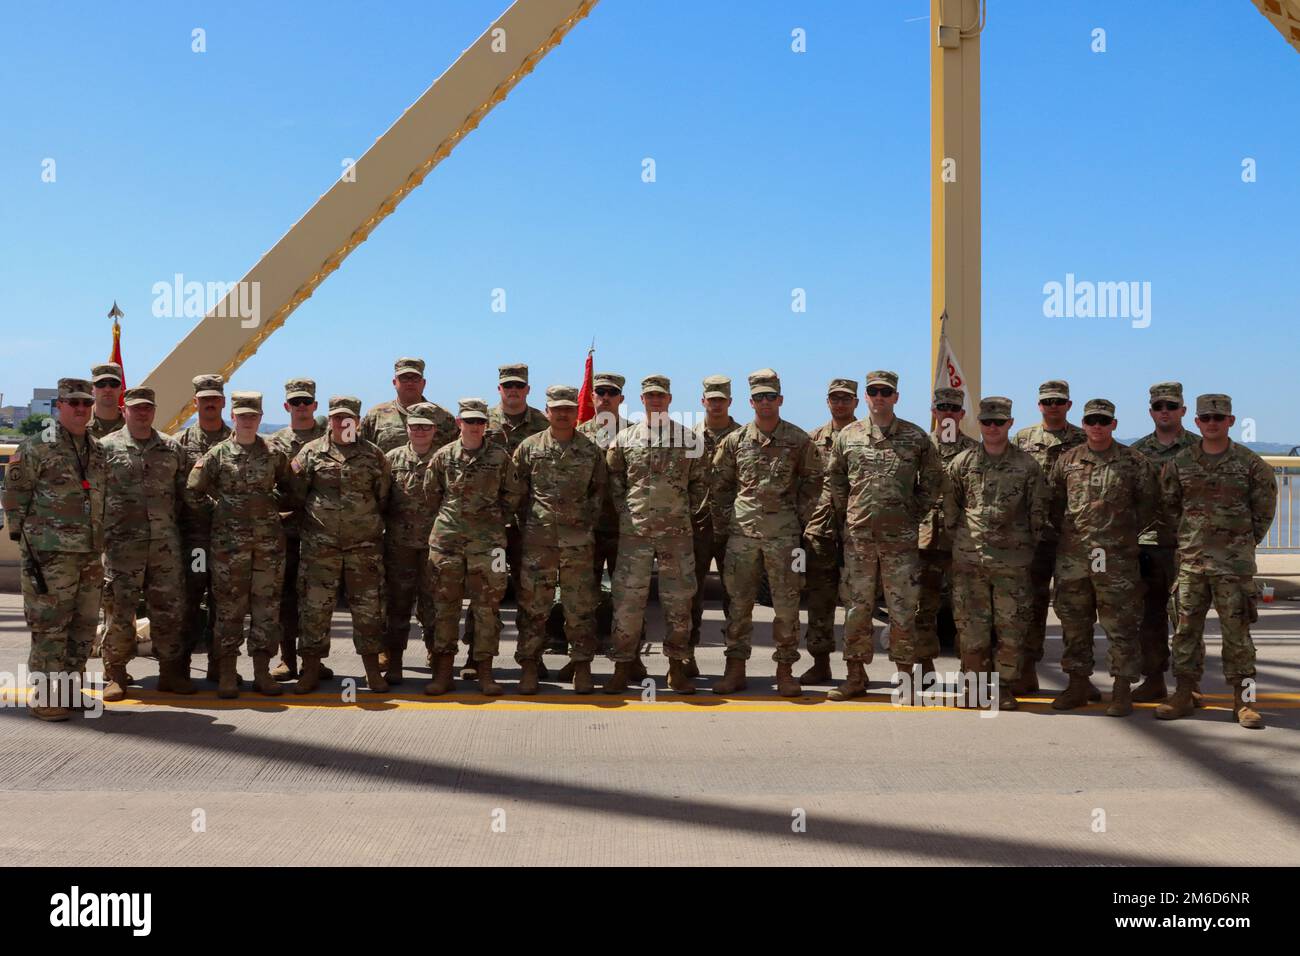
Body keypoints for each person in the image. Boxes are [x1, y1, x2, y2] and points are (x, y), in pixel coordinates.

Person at [806, 371, 943, 701]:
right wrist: (849, 515)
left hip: (901, 542)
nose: (879, 396)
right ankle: (855, 676)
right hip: (859, 540)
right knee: (856, 609)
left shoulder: (915, 437)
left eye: (886, 392)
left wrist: (911, 514)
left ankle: (906, 675)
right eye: (873, 391)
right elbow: (835, 480)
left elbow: (933, 482)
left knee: (903, 610)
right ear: (865, 397)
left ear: (896, 397)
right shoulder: (848, 436)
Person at [1156, 394, 1277, 729]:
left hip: (1233, 567)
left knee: (1238, 635)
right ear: (1196, 422)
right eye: (1206, 417)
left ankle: (1245, 700)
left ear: (1231, 421)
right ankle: (1184, 692)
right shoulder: (1180, 463)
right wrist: (1189, 538)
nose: (1212, 423)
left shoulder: (1250, 464)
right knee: (1184, 633)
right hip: (1192, 563)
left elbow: (1264, 510)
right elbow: (1169, 506)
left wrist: (1241, 543)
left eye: (1218, 417)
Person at [710, 369, 822, 697]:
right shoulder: (736, 441)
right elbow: (721, 486)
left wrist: (798, 519)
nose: (765, 402)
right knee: (738, 604)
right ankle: (735, 669)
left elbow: (814, 482)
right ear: (750, 402)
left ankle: (785, 669)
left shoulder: (799, 440)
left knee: (786, 606)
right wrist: (730, 520)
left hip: (784, 537)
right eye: (759, 397)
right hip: (742, 536)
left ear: (781, 400)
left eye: (771, 396)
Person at [2, 378, 106, 721]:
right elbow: (15, 497)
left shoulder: (97, 448)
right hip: (50, 555)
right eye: (72, 403)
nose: (80, 409)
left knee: (84, 625)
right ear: (58, 406)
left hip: (89, 553)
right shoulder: (37, 447)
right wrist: (29, 546)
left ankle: (69, 689)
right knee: (51, 626)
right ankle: (45, 696)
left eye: (85, 403)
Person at [1047, 399, 1158, 716]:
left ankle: (1121, 689)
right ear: (1083, 424)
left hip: (1117, 559)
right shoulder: (1067, 461)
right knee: (1074, 623)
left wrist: (1122, 534)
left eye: (1103, 421)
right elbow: (1054, 502)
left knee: (1121, 625)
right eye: (1091, 420)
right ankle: (1078, 684)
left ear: (1114, 425)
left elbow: (1150, 505)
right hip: (1074, 558)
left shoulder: (1133, 462)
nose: (1097, 426)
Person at [602, 375, 707, 694]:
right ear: (642, 400)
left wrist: (682, 511)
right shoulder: (625, 439)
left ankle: (677, 667)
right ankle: (622, 666)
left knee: (678, 603)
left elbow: (701, 483)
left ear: (670, 399)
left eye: (661, 396)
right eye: (650, 396)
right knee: (627, 603)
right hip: (635, 535)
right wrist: (626, 511)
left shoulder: (688, 440)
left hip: (676, 535)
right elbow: (615, 480)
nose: (655, 401)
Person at [187, 392, 294, 698]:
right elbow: (193, 493)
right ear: (233, 417)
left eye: (253, 415)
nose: (248, 420)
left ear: (260, 418)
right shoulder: (217, 455)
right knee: (228, 610)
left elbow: (292, 490)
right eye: (242, 415)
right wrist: (219, 512)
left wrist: (269, 509)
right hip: (228, 548)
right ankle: (228, 673)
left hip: (268, 547)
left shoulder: (274, 453)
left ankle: (262, 672)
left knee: (266, 609)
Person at [945, 397, 1046, 710]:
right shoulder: (962, 462)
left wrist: (1021, 549)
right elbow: (951, 511)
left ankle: (1003, 687)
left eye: (999, 422)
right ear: (980, 424)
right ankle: (974, 687)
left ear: (1010, 424)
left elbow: (1037, 515)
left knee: (1011, 629)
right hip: (970, 561)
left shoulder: (1028, 466)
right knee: (971, 629)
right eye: (987, 422)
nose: (992, 428)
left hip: (1012, 564)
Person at [422, 399, 525, 696]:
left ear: (485, 425)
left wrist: (492, 522)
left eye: (480, 422)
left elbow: (513, 496)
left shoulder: (500, 458)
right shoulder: (443, 457)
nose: (475, 426)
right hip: (447, 543)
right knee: (445, 608)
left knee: (488, 609)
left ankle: (485, 672)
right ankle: (443, 673)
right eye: (469, 421)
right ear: (459, 423)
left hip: (490, 545)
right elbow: (432, 494)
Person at [291, 396, 392, 693]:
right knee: (314, 610)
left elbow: (383, 496)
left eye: (348, 418)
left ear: (357, 422)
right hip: (320, 549)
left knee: (369, 611)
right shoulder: (310, 453)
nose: (342, 423)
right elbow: (297, 494)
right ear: (330, 419)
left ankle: (373, 672)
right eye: (336, 417)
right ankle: (310, 670)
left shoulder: (374, 456)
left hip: (363, 548)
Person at [512, 385, 607, 694]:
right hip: (538, 543)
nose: (564, 413)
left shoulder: (590, 449)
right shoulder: (529, 447)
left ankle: (581, 666)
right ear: (548, 410)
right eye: (558, 408)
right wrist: (531, 524)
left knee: (579, 608)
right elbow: (517, 493)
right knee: (533, 607)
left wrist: (582, 523)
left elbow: (598, 493)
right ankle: (529, 666)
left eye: (569, 408)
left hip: (577, 543)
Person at [100, 387, 192, 700]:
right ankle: (116, 673)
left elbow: (184, 496)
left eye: (148, 408)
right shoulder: (106, 448)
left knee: (168, 610)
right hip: (121, 548)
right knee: (120, 612)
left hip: (164, 546)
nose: (143, 413)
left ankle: (170, 672)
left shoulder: (171, 447)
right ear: (124, 410)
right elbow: (94, 497)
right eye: (136, 408)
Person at [1013, 379, 1088, 697]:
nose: (1053, 406)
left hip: (1073, 537)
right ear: (1038, 405)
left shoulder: (1084, 439)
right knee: (1030, 605)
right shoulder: (1023, 439)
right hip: (1034, 537)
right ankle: (1027, 671)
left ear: (1069, 405)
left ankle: (1078, 679)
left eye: (1059, 401)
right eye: (1047, 401)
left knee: (1075, 608)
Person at [1129, 382, 1199, 703]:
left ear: (1183, 411)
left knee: (1186, 617)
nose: (1165, 412)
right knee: (1150, 616)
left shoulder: (1199, 449)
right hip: (1147, 545)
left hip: (1186, 545)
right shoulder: (1137, 452)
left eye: (1171, 406)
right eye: (1159, 407)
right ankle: (1153, 678)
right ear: (1151, 412)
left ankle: (1188, 683)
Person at [267, 378, 332, 682]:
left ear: (315, 406)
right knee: (286, 599)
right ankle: (287, 659)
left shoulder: (329, 439)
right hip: (287, 533)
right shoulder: (274, 442)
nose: (302, 407)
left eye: (306, 402)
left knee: (318, 600)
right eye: (296, 402)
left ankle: (314, 660)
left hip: (322, 534)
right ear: (286, 406)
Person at [800, 378, 859, 685]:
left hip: (857, 530)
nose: (840, 404)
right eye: (835, 398)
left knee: (856, 601)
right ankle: (820, 663)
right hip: (820, 531)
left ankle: (855, 669)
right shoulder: (811, 441)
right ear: (827, 402)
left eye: (846, 399)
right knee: (820, 600)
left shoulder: (865, 438)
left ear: (856, 403)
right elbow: (799, 484)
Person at [915, 386, 977, 670]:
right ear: (934, 412)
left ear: (962, 413)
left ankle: (969, 670)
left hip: (961, 542)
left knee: (965, 610)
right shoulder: (919, 447)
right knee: (921, 607)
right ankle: (924, 666)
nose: (948, 413)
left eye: (953, 409)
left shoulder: (975, 451)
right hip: (924, 539)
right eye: (942, 408)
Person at [380, 402, 442, 684]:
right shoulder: (390, 459)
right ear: (407, 428)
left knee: (434, 605)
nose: (420, 431)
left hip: (434, 545)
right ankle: (395, 660)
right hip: (399, 546)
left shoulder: (444, 459)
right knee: (398, 605)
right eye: (415, 426)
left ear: (434, 430)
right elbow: (381, 499)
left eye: (425, 427)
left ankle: (435, 654)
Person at [175, 373, 231, 681]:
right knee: (191, 601)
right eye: (204, 399)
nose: (210, 404)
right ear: (195, 403)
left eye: (215, 399)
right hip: (195, 539)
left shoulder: (237, 440)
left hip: (228, 540)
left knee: (224, 605)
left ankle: (219, 666)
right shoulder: (180, 444)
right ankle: (180, 667)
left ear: (223, 402)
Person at [690, 375, 741, 675]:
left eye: (722, 399)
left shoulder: (744, 436)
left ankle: (735, 662)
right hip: (697, 526)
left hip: (735, 528)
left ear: (730, 402)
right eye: (712, 399)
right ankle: (687, 656)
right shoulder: (687, 437)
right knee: (690, 595)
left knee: (735, 596)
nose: (716, 404)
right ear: (703, 401)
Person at [360, 356, 457, 454]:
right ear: (394, 382)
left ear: (424, 383)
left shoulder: (443, 417)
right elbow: (356, 450)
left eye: (415, 378)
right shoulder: (375, 416)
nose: (410, 383)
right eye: (404, 378)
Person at [89, 363, 125, 440]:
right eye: (101, 384)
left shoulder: (132, 426)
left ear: (121, 389)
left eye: (114, 384)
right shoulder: (78, 424)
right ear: (92, 389)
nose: (107, 389)